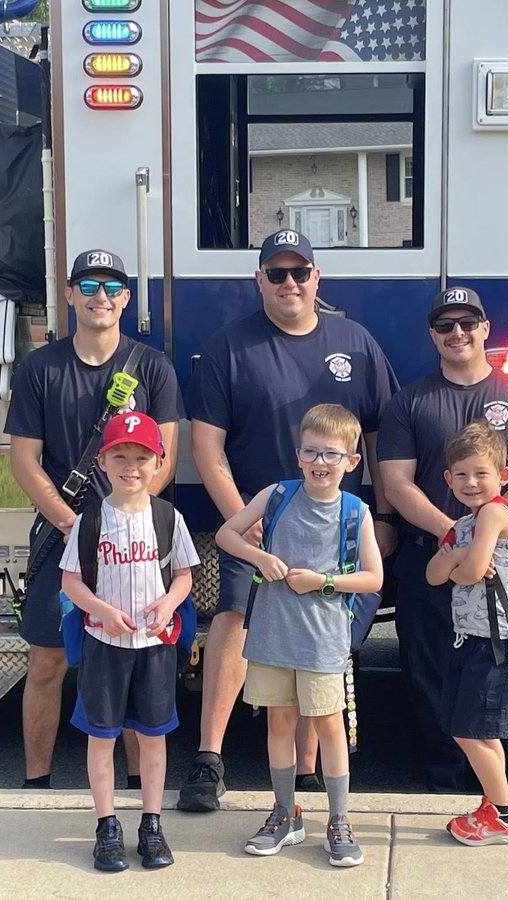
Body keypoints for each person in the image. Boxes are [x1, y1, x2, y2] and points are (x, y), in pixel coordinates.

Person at [178, 228, 399, 812]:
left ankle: (304, 775)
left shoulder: (356, 343)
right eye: (276, 274)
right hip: (259, 522)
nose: (289, 283)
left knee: (319, 639)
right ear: (259, 282)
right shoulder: (230, 347)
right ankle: (209, 757)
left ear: (316, 278)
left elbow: (378, 440)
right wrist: (243, 525)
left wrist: (380, 514)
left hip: (334, 528)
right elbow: (207, 449)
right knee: (234, 617)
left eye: (299, 272)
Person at [5, 248, 184, 791]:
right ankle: (37, 782)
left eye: (111, 287)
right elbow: (23, 461)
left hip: (134, 539)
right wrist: (72, 525)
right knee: (48, 664)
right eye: (87, 286)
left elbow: (168, 458)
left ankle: (134, 787)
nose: (99, 297)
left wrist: (120, 521)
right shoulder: (40, 369)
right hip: (64, 538)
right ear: (69, 296)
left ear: (126, 298)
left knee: (130, 660)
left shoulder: (153, 368)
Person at [378, 287, 508, 795]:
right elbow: (396, 482)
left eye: (467, 323)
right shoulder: (409, 401)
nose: (457, 333)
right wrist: (450, 534)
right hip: (430, 560)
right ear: (432, 335)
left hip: (500, 573)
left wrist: (483, 531)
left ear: (485, 330)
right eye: (445, 325)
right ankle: (445, 788)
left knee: (506, 684)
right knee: (432, 679)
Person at [216, 404, 383, 867]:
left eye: (332, 454)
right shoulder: (276, 495)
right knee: (279, 723)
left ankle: (339, 820)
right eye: (311, 451)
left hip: (323, 640)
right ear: (298, 455)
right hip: (272, 634)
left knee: (330, 727)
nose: (320, 462)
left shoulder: (356, 511)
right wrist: (258, 556)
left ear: (352, 461)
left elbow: (373, 577)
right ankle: (285, 813)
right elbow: (227, 535)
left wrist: (323, 581)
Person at [60, 412, 200, 871]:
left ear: (158, 462)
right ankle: (106, 827)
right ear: (102, 461)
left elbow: (184, 576)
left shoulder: (168, 517)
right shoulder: (91, 519)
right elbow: (71, 583)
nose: (131, 466)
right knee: (102, 738)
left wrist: (168, 605)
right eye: (120, 455)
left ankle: (152, 824)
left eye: (142, 457)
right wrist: (101, 611)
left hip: (155, 646)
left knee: (153, 736)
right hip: (105, 644)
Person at [425, 422, 508, 845]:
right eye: (461, 474)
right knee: (479, 731)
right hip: (468, 640)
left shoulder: (494, 514)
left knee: (468, 731)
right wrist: (461, 558)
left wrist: (459, 561)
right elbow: (433, 575)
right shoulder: (465, 524)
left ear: (503, 476)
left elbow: (461, 571)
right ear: (448, 479)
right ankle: (495, 801)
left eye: (481, 473)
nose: (471, 483)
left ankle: (504, 817)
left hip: (492, 644)